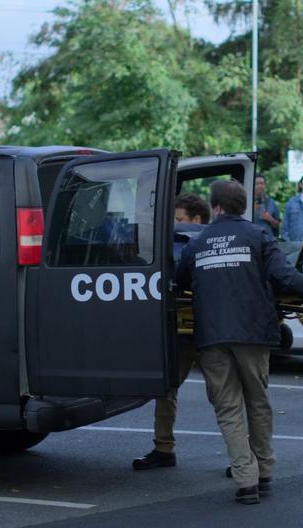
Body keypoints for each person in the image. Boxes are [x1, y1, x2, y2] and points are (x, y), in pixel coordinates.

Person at [176, 179, 303, 505]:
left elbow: (181, 281)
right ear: (242, 207)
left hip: (212, 337)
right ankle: (265, 472)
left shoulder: (197, 244)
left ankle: (246, 481)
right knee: (257, 402)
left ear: (217, 208)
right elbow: (287, 277)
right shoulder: (259, 236)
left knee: (228, 409)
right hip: (254, 334)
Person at [132, 193, 210, 470]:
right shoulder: (177, 245)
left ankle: (241, 457)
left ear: (196, 221)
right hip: (179, 329)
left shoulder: (205, 246)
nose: (174, 226)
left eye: (179, 220)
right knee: (166, 389)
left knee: (224, 396)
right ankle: (163, 448)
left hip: (206, 331)